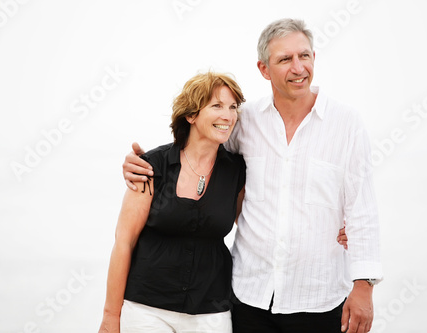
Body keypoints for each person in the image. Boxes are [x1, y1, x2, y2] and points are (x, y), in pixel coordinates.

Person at [122, 18, 382, 333]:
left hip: (320, 297)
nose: (298, 67)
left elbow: (362, 209)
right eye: (285, 59)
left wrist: (364, 284)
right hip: (248, 298)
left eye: (305, 56)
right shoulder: (245, 123)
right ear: (263, 69)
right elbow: (197, 150)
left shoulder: (347, 124)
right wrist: (146, 163)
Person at [98, 71, 246, 333]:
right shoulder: (151, 166)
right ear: (191, 115)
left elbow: (257, 222)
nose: (228, 115)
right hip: (146, 309)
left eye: (233, 107)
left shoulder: (237, 171)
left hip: (211, 310)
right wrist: (111, 317)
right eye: (217, 106)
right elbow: (124, 241)